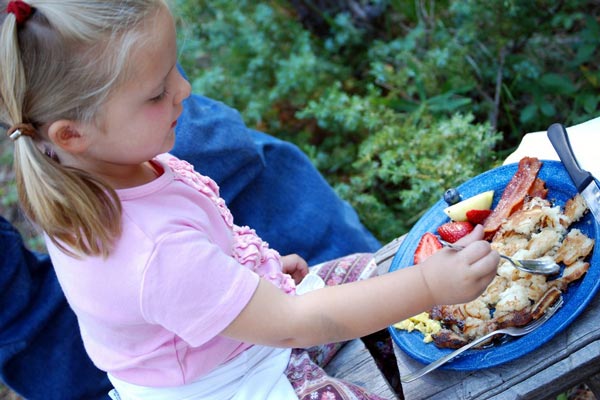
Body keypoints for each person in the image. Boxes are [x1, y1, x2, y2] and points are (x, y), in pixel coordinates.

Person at [0, 1, 499, 399]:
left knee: (378, 272)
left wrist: (241, 276)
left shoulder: (109, 166)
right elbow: (294, 325)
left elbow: (186, 275)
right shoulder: (155, 254)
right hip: (232, 380)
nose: (185, 89)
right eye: (156, 93)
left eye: (175, 70)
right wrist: (433, 285)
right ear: (72, 135)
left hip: (238, 333)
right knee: (404, 288)